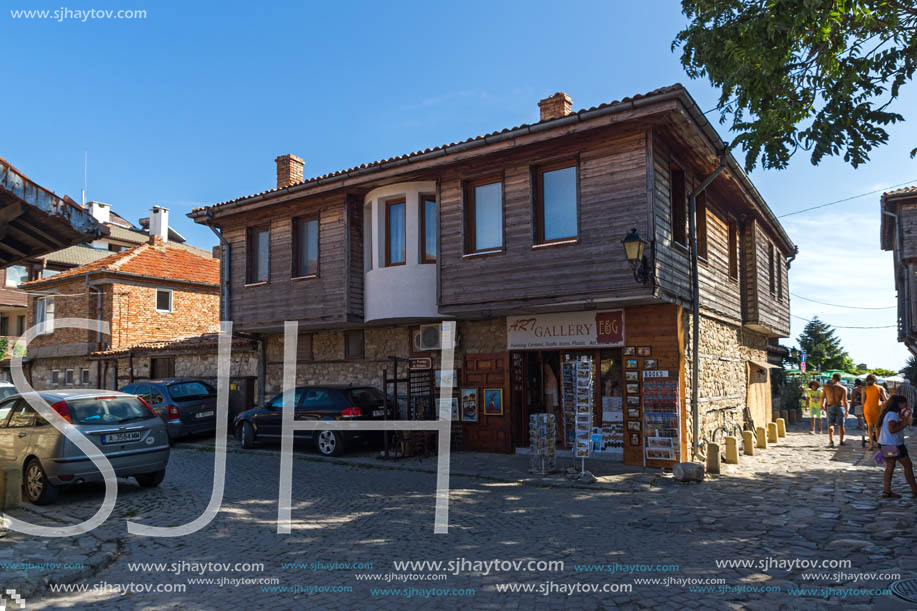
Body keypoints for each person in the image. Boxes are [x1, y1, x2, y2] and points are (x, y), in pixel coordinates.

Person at [876, 395, 917, 498]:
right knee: (907, 465)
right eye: (904, 403)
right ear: (898, 404)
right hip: (894, 445)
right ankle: (914, 489)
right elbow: (892, 430)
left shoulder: (890, 414)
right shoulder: (893, 415)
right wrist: (905, 423)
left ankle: (886, 491)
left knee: (890, 466)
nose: (906, 405)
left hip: (886, 444)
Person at [863, 374, 889, 451]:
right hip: (877, 408)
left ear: (867, 380)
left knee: (869, 427)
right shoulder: (880, 388)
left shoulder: (864, 388)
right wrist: (881, 404)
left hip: (868, 408)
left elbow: (862, 401)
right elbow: (886, 400)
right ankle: (878, 444)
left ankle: (871, 445)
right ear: (875, 380)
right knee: (878, 427)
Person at [823, 373, 849, 447]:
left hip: (830, 406)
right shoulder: (843, 388)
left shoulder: (826, 387)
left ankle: (831, 441)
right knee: (841, 425)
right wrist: (846, 410)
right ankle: (841, 441)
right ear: (840, 379)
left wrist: (822, 405)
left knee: (830, 425)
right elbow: (845, 401)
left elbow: (822, 397)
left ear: (832, 378)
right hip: (839, 407)